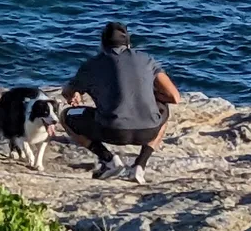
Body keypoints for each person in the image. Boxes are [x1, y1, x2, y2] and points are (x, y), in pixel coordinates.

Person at [61, 22, 181, 184]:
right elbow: (174, 97)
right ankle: (139, 166)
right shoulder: (147, 60)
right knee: (162, 110)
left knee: (66, 115)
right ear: (128, 43)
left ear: (102, 44)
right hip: (148, 131)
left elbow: (67, 91)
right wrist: (150, 96)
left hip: (111, 130)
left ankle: (109, 161)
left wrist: (74, 94)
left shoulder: (92, 65)